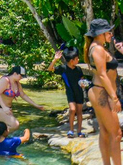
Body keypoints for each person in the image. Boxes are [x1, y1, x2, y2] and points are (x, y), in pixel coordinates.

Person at [85, 18, 122, 165]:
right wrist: (114, 97)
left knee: (105, 132)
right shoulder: (98, 49)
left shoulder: (96, 47)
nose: (111, 34)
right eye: (109, 31)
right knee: (116, 133)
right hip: (102, 93)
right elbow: (102, 74)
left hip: (99, 91)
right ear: (101, 33)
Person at [0, 65, 44, 131]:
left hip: (7, 109)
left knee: (9, 128)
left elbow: (23, 95)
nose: (21, 78)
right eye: (21, 76)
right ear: (15, 73)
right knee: (15, 125)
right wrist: (4, 107)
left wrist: (36, 106)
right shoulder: (5, 80)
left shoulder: (17, 84)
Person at [48, 46, 85, 138]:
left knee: (79, 111)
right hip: (70, 92)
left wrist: (83, 83)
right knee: (72, 109)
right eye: (76, 59)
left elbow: (82, 79)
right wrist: (55, 60)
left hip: (79, 92)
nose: (78, 60)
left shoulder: (78, 69)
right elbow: (50, 69)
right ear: (71, 60)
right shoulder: (63, 68)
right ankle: (71, 130)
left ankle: (79, 131)